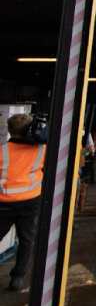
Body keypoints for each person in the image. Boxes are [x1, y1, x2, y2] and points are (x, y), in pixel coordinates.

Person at [0, 114, 44, 291]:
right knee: (27, 239)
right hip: (31, 201)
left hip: (4, 201)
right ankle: (18, 278)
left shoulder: (2, 151)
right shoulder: (41, 149)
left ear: (10, 130)